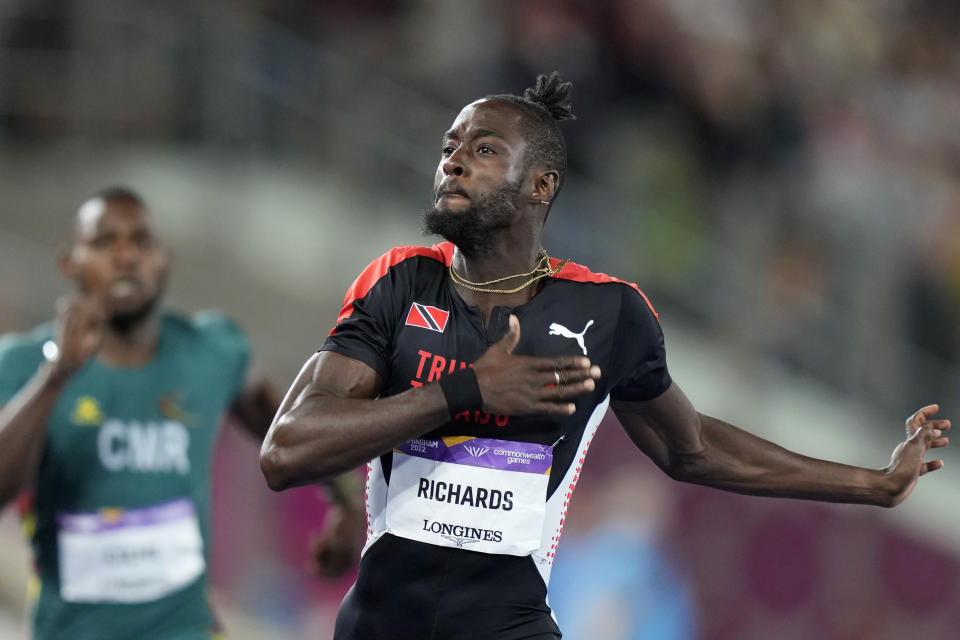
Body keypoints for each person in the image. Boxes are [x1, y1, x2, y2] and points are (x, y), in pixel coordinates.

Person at [259, 72, 950, 640]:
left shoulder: (607, 312)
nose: (455, 159)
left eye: (485, 148)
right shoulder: (399, 281)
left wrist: (871, 483)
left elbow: (695, 447)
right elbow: (285, 451)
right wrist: (465, 391)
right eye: (450, 145)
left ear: (542, 186)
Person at [0, 188, 364, 640]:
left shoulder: (211, 350)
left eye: (141, 241)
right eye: (103, 242)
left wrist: (346, 500)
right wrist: (58, 375)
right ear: (70, 263)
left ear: (163, 259)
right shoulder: (21, 364)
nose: (126, 256)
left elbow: (291, 432)